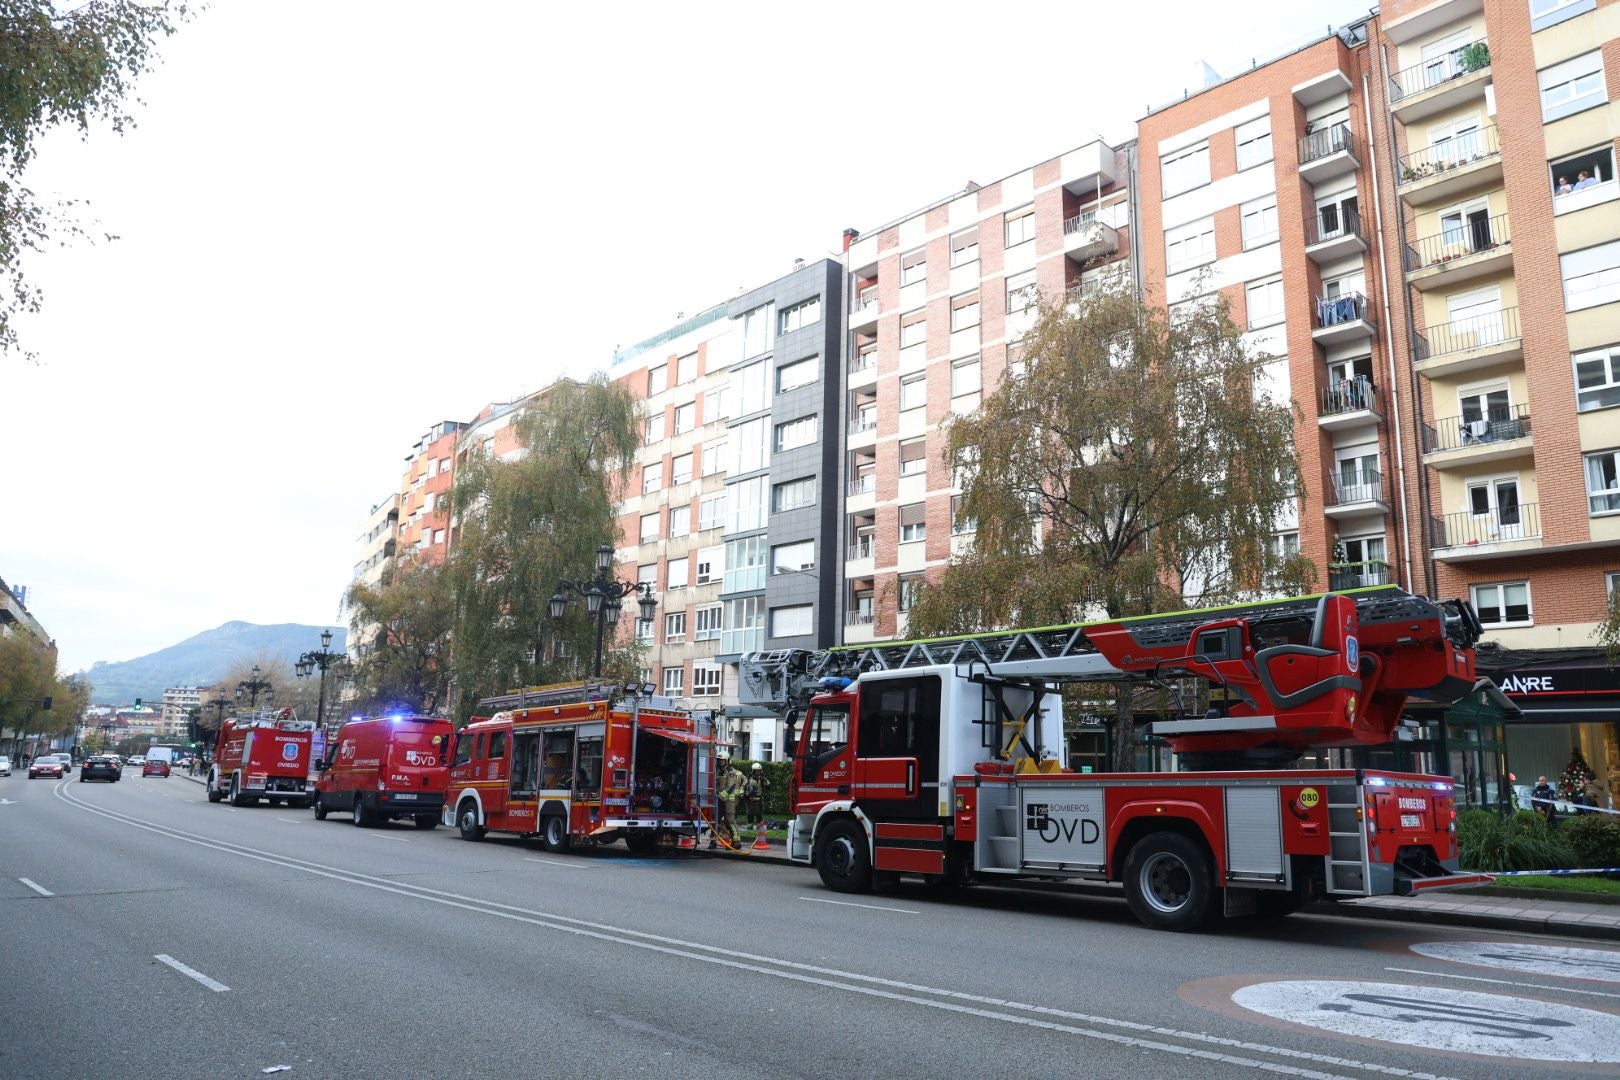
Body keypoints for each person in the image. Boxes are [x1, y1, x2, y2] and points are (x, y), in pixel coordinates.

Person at [713, 756, 745, 848]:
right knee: (716, 820)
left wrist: (721, 796)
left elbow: (731, 787)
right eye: (719, 760)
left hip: (729, 800)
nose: (720, 762)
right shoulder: (717, 770)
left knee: (730, 821)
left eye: (722, 760)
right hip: (719, 799)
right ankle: (714, 840)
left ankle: (736, 842)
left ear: (727, 761)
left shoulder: (731, 772)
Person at [744, 762, 768, 832]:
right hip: (750, 800)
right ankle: (749, 829)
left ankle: (760, 829)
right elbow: (745, 786)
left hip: (759, 800)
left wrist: (764, 779)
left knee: (759, 815)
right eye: (756, 770)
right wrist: (746, 793)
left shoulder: (762, 778)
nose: (757, 772)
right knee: (750, 814)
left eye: (759, 770)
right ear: (753, 771)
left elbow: (768, 785)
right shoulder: (749, 778)